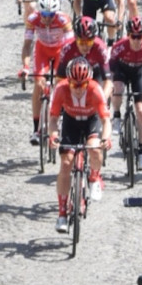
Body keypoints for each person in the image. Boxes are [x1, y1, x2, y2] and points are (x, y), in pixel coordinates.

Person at [50, 57, 112, 233]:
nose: (78, 90)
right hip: (71, 122)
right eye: (74, 85)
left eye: (82, 85)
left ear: (89, 82)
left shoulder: (96, 90)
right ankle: (62, 213)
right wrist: (53, 135)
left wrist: (106, 139)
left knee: (94, 148)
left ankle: (94, 176)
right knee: (66, 163)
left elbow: (106, 121)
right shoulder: (61, 88)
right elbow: (53, 119)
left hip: (91, 121)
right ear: (68, 81)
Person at [20, 0, 73, 146]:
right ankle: (36, 129)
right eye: (44, 14)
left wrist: (68, 69)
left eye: (51, 15)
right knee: (38, 84)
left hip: (60, 51)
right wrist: (25, 67)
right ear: (39, 12)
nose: (47, 18)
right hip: (42, 50)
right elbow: (27, 46)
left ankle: (61, 114)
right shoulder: (33, 19)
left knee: (61, 85)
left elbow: (69, 47)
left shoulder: (64, 20)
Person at [109, 17, 142, 170]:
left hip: (138, 72)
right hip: (121, 70)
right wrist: (111, 85)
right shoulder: (119, 47)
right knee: (118, 88)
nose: (137, 40)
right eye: (133, 36)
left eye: (140, 36)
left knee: (141, 112)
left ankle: (141, 152)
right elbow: (110, 72)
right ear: (128, 35)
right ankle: (117, 116)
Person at [56, 16, 113, 99]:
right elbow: (59, 79)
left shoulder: (101, 48)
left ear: (94, 39)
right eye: (81, 42)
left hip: (95, 72)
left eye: (89, 42)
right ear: (75, 38)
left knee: (98, 96)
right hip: (73, 74)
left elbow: (108, 81)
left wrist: (102, 100)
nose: (85, 46)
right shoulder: (67, 48)